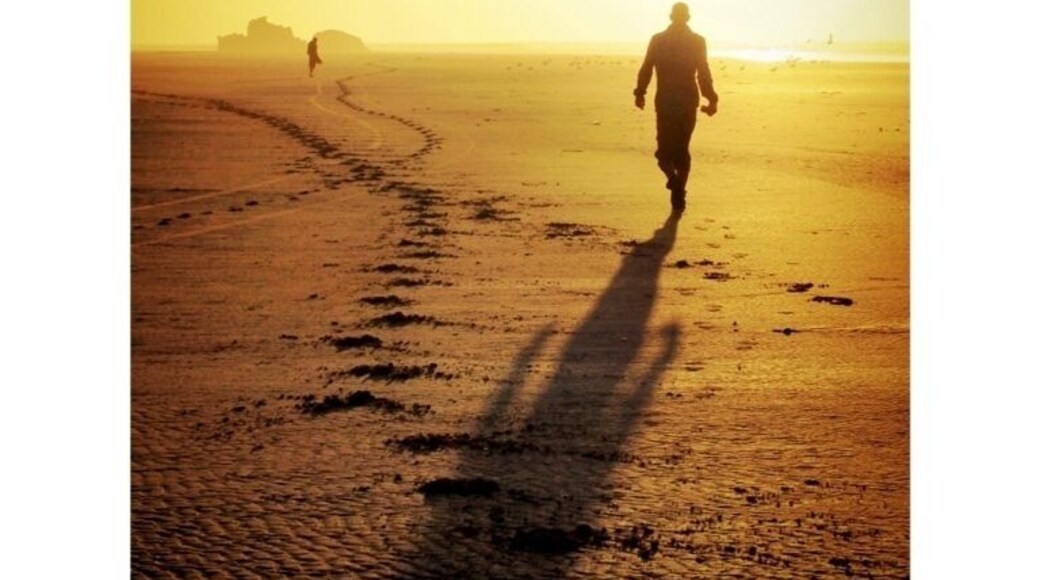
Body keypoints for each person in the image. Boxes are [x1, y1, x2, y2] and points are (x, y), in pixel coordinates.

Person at [634, 2, 718, 211]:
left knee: (664, 153)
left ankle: (676, 186)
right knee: (681, 150)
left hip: (666, 101)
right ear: (688, 17)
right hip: (687, 101)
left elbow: (646, 68)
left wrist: (640, 92)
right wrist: (711, 98)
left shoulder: (658, 40)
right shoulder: (697, 41)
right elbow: (703, 73)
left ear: (671, 16)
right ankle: (679, 188)